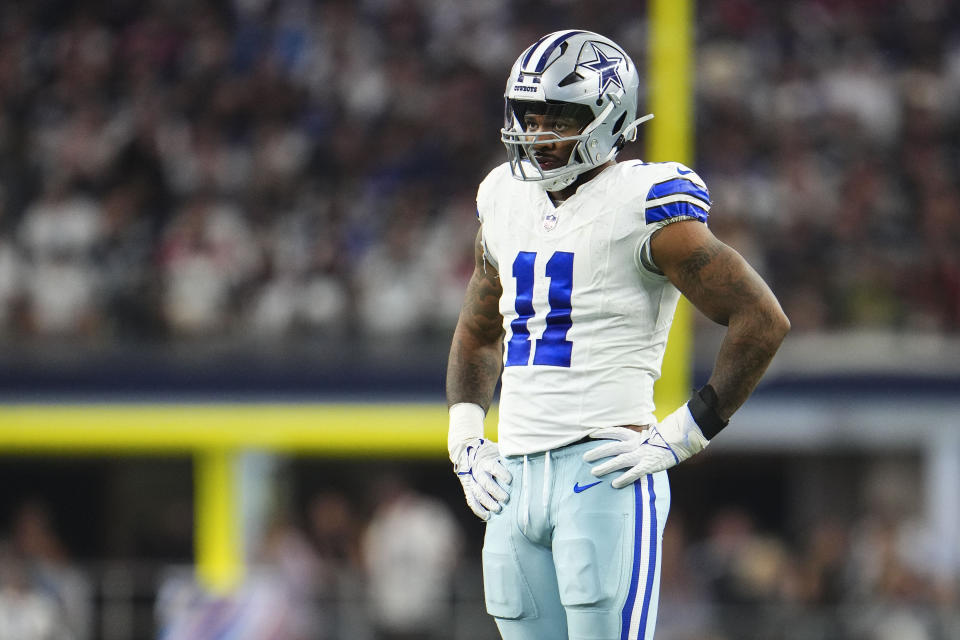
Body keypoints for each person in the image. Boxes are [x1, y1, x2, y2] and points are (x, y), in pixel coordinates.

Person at [445, 30, 790, 640]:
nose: (539, 131)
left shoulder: (644, 203)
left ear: (610, 118)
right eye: (530, 113)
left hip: (602, 471)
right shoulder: (502, 196)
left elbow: (762, 319)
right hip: (513, 478)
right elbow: (478, 330)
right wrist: (466, 439)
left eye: (561, 115)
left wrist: (684, 434)